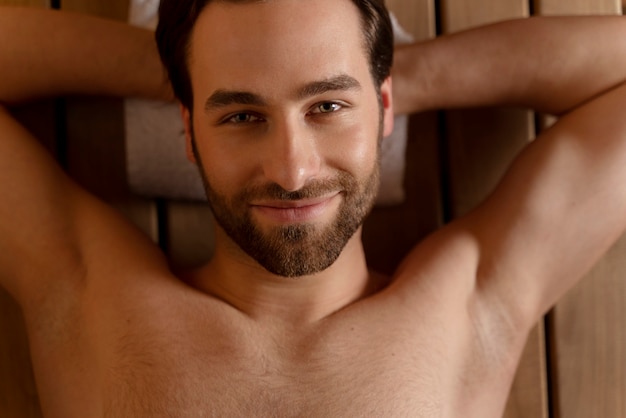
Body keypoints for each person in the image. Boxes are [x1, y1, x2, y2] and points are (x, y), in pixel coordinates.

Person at [0, 0, 625, 416]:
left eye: (327, 107)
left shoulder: (470, 308)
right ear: (188, 130)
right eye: (242, 115)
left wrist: (404, 77)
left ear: (382, 109)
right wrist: (179, 70)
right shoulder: (87, 299)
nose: (292, 171)